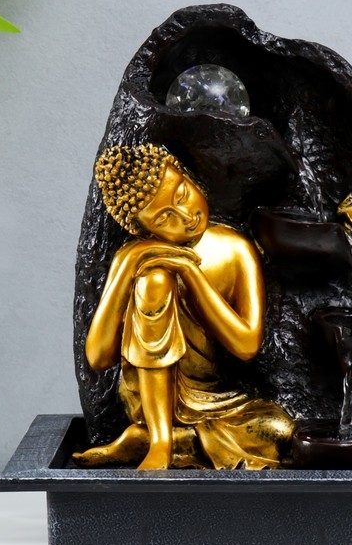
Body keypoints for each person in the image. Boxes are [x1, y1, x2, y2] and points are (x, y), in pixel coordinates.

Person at [72, 144, 294, 470]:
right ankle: (160, 442)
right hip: (150, 398)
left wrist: (190, 272)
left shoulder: (235, 248)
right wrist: (127, 266)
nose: (186, 217)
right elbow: (98, 357)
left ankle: (148, 442)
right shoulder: (136, 259)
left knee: (278, 430)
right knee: (155, 280)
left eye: (181, 195)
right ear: (144, 230)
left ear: (189, 178)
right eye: (165, 218)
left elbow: (247, 345)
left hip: (214, 399)